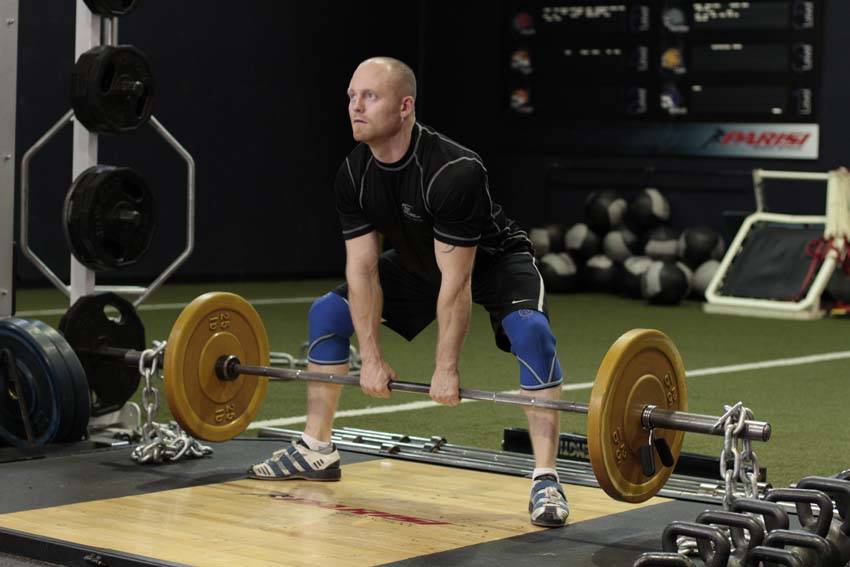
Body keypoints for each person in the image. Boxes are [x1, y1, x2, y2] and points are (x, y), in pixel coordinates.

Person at [249, 57, 570, 528]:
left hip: (495, 260)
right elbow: (362, 272)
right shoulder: (354, 174)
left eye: (369, 97)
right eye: (351, 97)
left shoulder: (453, 171)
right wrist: (371, 356)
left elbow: (457, 283)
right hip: (419, 263)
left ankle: (546, 477)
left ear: (405, 107)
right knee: (327, 314)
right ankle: (316, 449)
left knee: (531, 332)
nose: (355, 107)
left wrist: (446, 367)